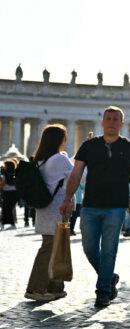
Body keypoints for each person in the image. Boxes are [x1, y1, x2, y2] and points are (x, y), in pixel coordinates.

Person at [59, 106, 130, 309]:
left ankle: (103, 291)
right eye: (109, 118)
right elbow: (76, 174)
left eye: (116, 119)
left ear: (122, 123)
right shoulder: (89, 146)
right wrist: (68, 198)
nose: (112, 122)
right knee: (89, 248)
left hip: (116, 206)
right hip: (89, 205)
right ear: (102, 122)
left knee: (109, 250)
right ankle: (109, 277)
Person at [25, 124, 74, 301]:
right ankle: (35, 288)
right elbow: (78, 175)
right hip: (56, 209)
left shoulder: (42, 159)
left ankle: (54, 287)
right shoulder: (60, 159)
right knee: (50, 248)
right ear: (60, 140)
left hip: (46, 209)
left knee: (54, 246)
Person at [0, 159, 17, 229]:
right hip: (15, 192)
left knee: (5, 208)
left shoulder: (4, 173)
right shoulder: (15, 172)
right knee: (10, 208)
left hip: (7, 192)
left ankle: (5, 224)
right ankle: (11, 224)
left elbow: (3, 182)